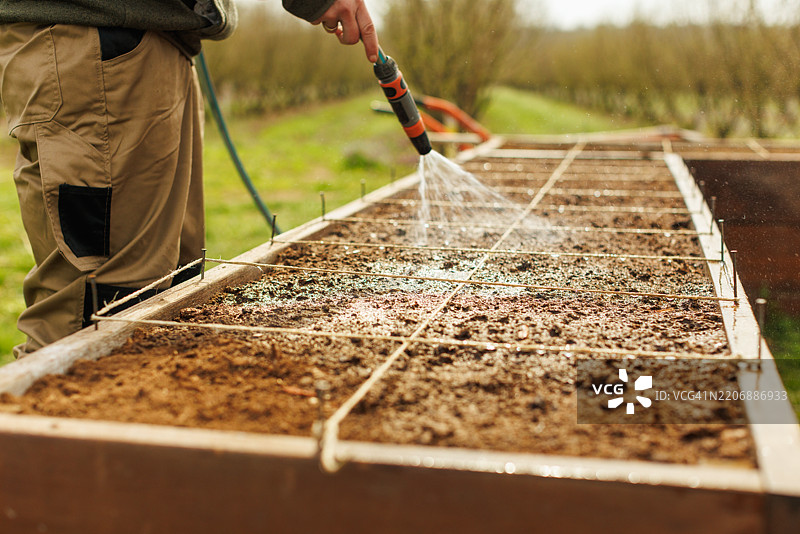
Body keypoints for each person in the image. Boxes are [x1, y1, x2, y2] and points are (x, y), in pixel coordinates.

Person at [0, 0, 378, 358]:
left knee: (167, 297)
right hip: (101, 41)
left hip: (149, 40)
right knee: (99, 316)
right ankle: (44, 427)